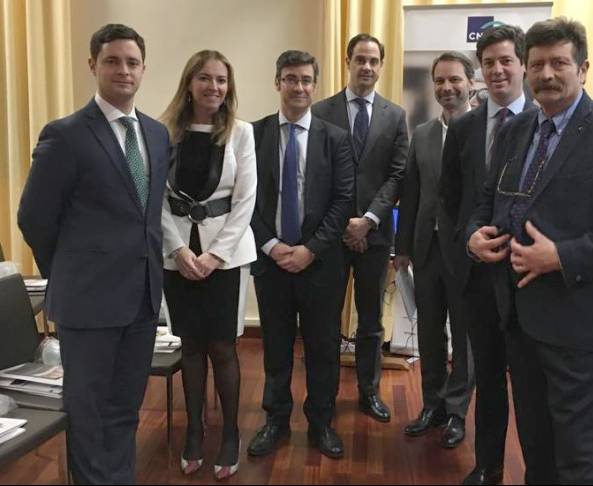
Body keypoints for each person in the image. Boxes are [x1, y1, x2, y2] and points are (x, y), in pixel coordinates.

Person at [466, 17, 593, 484]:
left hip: (582, 330)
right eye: (537, 65)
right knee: (538, 454)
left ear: (584, 68)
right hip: (521, 323)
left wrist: (562, 256)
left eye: (559, 63)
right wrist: (474, 234)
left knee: (582, 463)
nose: (547, 74)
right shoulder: (516, 130)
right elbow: (488, 200)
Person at [17, 24, 170, 484]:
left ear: (143, 68)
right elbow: (34, 218)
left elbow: (147, 217)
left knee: (124, 410)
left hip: (142, 301)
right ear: (92, 65)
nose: (123, 70)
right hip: (88, 303)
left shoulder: (157, 134)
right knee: (88, 416)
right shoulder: (65, 135)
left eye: (132, 62)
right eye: (112, 61)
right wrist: (69, 271)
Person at [440, 25, 536, 485]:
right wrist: (469, 239)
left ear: (523, 65)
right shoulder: (462, 127)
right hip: (478, 275)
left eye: (506, 60)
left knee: (533, 384)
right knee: (489, 377)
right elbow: (450, 198)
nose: (497, 70)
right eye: (489, 62)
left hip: (531, 277)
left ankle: (538, 471)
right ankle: (488, 466)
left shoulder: (545, 119)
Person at [247, 50, 354, 459]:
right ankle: (275, 420)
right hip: (271, 262)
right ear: (277, 82)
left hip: (320, 264)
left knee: (323, 348)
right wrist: (271, 246)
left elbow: (343, 201)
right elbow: (245, 201)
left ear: (315, 85)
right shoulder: (253, 135)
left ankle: (321, 422)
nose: (298, 87)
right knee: (275, 347)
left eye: (306, 79)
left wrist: (310, 249)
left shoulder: (335, 138)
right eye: (290, 78)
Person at [159, 50, 257, 479]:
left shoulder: (242, 133)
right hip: (177, 255)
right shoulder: (164, 132)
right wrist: (179, 251)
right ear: (189, 83)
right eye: (204, 78)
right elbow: (157, 201)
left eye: (221, 79)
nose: (213, 86)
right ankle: (195, 430)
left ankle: (230, 433)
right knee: (191, 346)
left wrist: (215, 255)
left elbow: (245, 201)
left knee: (222, 346)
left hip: (226, 257)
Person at [312, 33, 408, 423]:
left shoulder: (395, 115)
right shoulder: (320, 111)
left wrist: (367, 220)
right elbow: (316, 176)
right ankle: (325, 395)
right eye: (360, 59)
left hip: (375, 235)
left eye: (373, 60)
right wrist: (342, 224)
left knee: (371, 321)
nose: (366, 66)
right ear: (347, 62)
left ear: (381, 66)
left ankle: (369, 391)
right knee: (325, 320)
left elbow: (397, 175)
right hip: (330, 237)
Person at [394, 52, 475, 449]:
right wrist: (402, 247)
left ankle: (457, 412)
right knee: (428, 333)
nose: (447, 87)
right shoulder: (423, 133)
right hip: (426, 251)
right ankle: (433, 405)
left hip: (467, 255)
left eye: (455, 80)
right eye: (440, 81)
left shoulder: (485, 131)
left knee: (464, 337)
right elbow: (411, 193)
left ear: (470, 83)